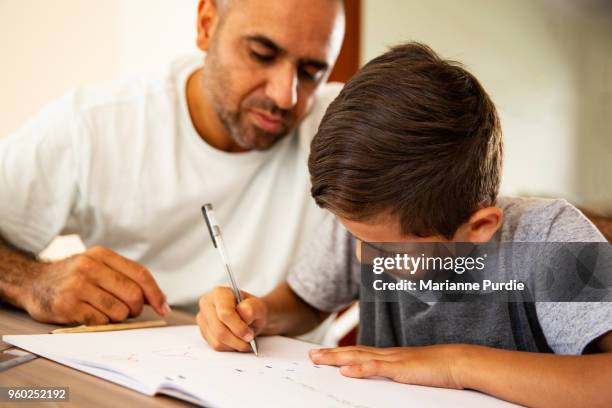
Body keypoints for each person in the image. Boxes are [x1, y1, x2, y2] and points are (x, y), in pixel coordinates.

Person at [197, 42, 612, 407]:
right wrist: (258, 314)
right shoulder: (367, 218)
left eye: (388, 251)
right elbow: (305, 302)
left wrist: (456, 364)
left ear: (480, 225)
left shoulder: (551, 238)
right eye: (354, 237)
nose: (364, 258)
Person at [0, 0, 345, 326]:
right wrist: (32, 279)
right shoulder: (96, 123)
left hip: (297, 373)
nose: (285, 95)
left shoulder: (345, 130)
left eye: (311, 72)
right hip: (133, 366)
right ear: (207, 24)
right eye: (261, 54)